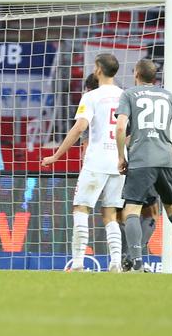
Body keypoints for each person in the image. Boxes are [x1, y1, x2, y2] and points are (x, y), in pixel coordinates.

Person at [41, 54, 125, 272]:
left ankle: (78, 263)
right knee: (110, 214)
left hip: (96, 161)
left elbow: (79, 128)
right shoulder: (126, 96)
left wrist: (56, 155)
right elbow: (129, 131)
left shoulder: (92, 96)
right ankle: (116, 262)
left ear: (98, 69)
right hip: (118, 161)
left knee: (81, 209)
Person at [115, 58, 172, 273]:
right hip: (165, 161)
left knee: (131, 211)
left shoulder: (129, 94)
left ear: (136, 74)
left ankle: (137, 262)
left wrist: (121, 156)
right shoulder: (167, 95)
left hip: (141, 161)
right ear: (155, 77)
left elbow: (121, 127)